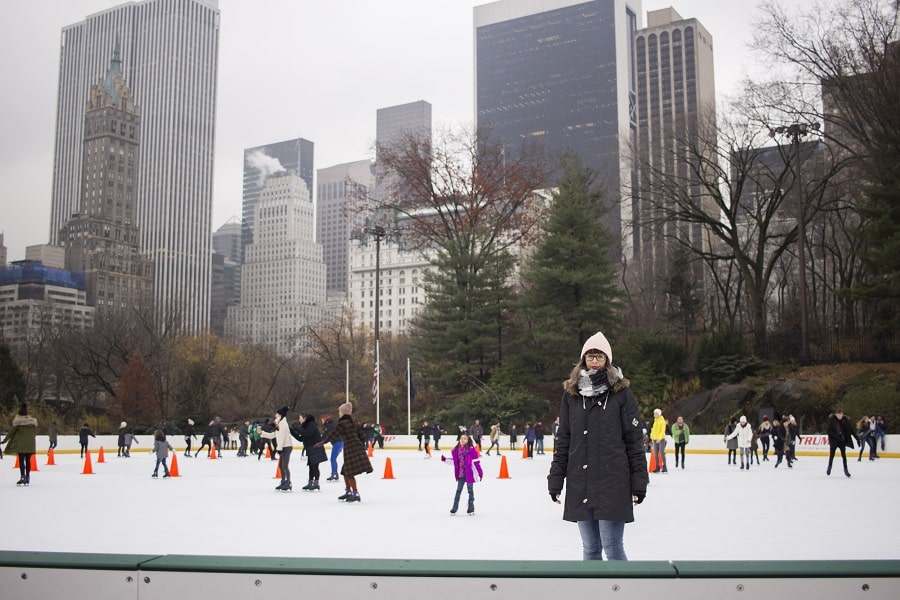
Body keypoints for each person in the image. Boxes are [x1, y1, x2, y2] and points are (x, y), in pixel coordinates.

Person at [548, 331, 648, 561]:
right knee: (591, 548)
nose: (594, 360)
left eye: (599, 356)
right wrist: (555, 479)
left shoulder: (621, 394)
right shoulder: (571, 395)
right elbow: (563, 440)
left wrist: (639, 482)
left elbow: (634, 441)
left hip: (613, 482)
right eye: (590, 356)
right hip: (580, 481)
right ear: (583, 359)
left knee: (612, 547)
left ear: (607, 360)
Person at [318, 402, 373, 503]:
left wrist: (323, 442)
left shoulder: (342, 423)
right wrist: (361, 445)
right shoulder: (354, 423)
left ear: (343, 413)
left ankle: (355, 493)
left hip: (350, 448)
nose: (339, 413)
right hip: (356, 447)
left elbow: (334, 434)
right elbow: (362, 436)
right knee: (345, 471)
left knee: (349, 472)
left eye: (339, 411)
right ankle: (348, 491)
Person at [442, 432, 484, 515]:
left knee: (470, 491)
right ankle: (454, 508)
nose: (462, 440)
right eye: (461, 438)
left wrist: (480, 473)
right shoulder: (456, 450)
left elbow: (476, 462)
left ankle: (471, 508)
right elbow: (455, 462)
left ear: (468, 440)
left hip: (469, 474)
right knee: (458, 491)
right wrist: (445, 460)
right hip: (461, 475)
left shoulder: (472, 450)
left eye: (465, 438)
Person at [2, 402, 38, 486]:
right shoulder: (32, 423)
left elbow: (10, 433)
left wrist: (4, 441)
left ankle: (22, 477)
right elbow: (34, 433)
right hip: (30, 445)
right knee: (28, 460)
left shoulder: (18, 423)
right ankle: (28, 477)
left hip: (21, 445)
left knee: (22, 461)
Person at [259, 406, 294, 491]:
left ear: (280, 415)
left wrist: (279, 448)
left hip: (286, 447)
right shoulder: (279, 423)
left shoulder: (283, 424)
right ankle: (283, 481)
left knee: (284, 465)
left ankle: (288, 482)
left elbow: (281, 437)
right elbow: (273, 435)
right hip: (283, 446)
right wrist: (262, 433)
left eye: (276, 414)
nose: (275, 415)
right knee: (281, 466)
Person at [294, 413, 328, 491]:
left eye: (300, 418)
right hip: (310, 448)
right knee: (311, 466)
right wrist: (292, 431)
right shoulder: (305, 426)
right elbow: (301, 438)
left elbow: (308, 434)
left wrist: (298, 429)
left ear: (305, 418)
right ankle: (310, 482)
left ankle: (316, 483)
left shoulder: (311, 424)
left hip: (315, 447)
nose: (299, 420)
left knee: (315, 466)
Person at [826, 409, 857, 478]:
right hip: (834, 441)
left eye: (841, 414)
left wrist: (856, 438)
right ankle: (829, 467)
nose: (840, 416)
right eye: (838, 414)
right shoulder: (832, 421)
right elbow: (829, 431)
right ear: (836, 414)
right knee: (832, 455)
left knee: (844, 456)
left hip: (842, 441)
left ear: (842, 414)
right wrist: (837, 436)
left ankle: (846, 470)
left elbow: (851, 429)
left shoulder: (845, 421)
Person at [321, 414, 342, 481]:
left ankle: (334, 474)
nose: (322, 422)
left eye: (322, 420)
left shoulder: (329, 426)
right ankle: (335, 473)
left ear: (325, 420)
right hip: (340, 442)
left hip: (337, 443)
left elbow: (325, 437)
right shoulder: (332, 425)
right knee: (333, 459)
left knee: (333, 459)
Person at [650, 409, 668, 473]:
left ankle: (665, 466)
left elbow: (662, 431)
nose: (654, 415)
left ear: (659, 414)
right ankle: (657, 467)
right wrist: (652, 438)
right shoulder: (655, 421)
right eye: (654, 413)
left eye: (656, 413)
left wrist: (659, 438)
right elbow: (653, 430)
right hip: (655, 439)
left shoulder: (662, 421)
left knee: (661, 452)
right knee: (655, 454)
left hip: (661, 439)